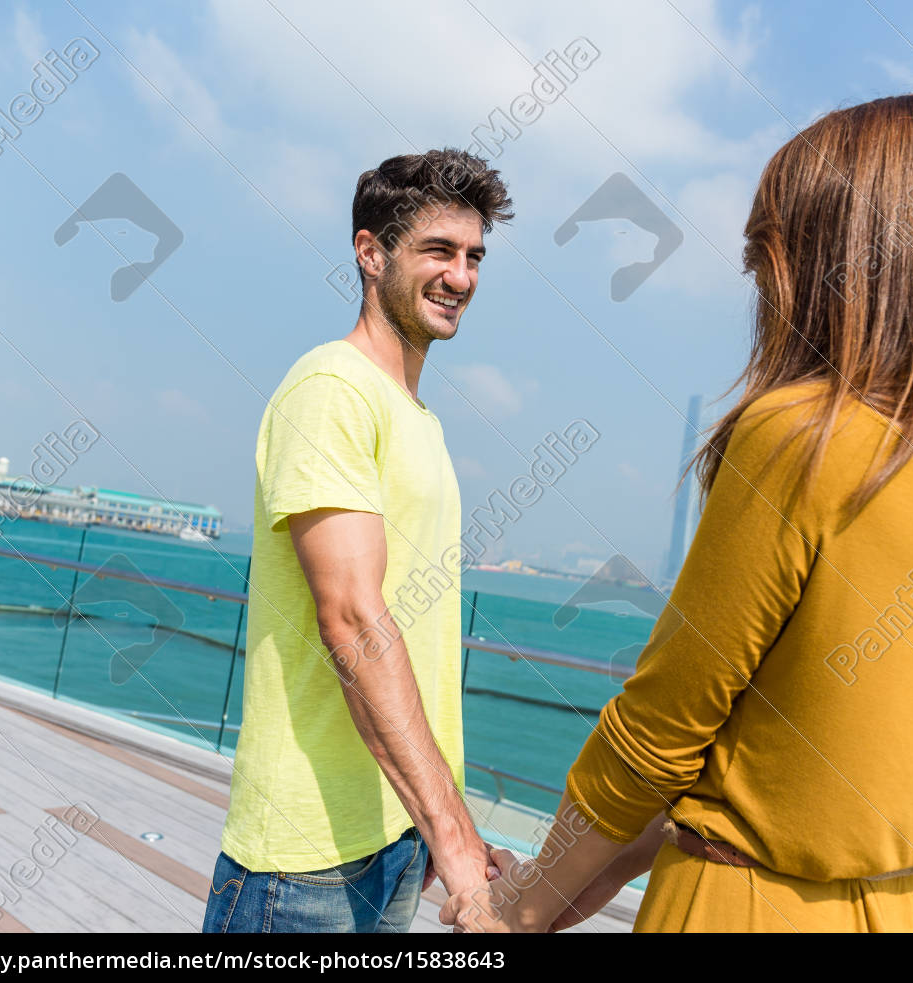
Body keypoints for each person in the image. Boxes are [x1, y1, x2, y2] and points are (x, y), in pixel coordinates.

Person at [441, 92, 913, 933]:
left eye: (765, 258)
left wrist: (515, 911)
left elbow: (656, 736)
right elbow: (757, 764)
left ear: (829, 259)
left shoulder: (803, 435)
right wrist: (545, 904)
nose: (760, 289)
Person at [203, 149, 514, 933]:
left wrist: (442, 829)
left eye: (474, 256)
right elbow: (351, 619)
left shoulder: (417, 417)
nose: (463, 278)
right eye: (439, 251)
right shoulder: (330, 390)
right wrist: (455, 833)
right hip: (305, 864)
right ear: (371, 252)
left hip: (394, 838)